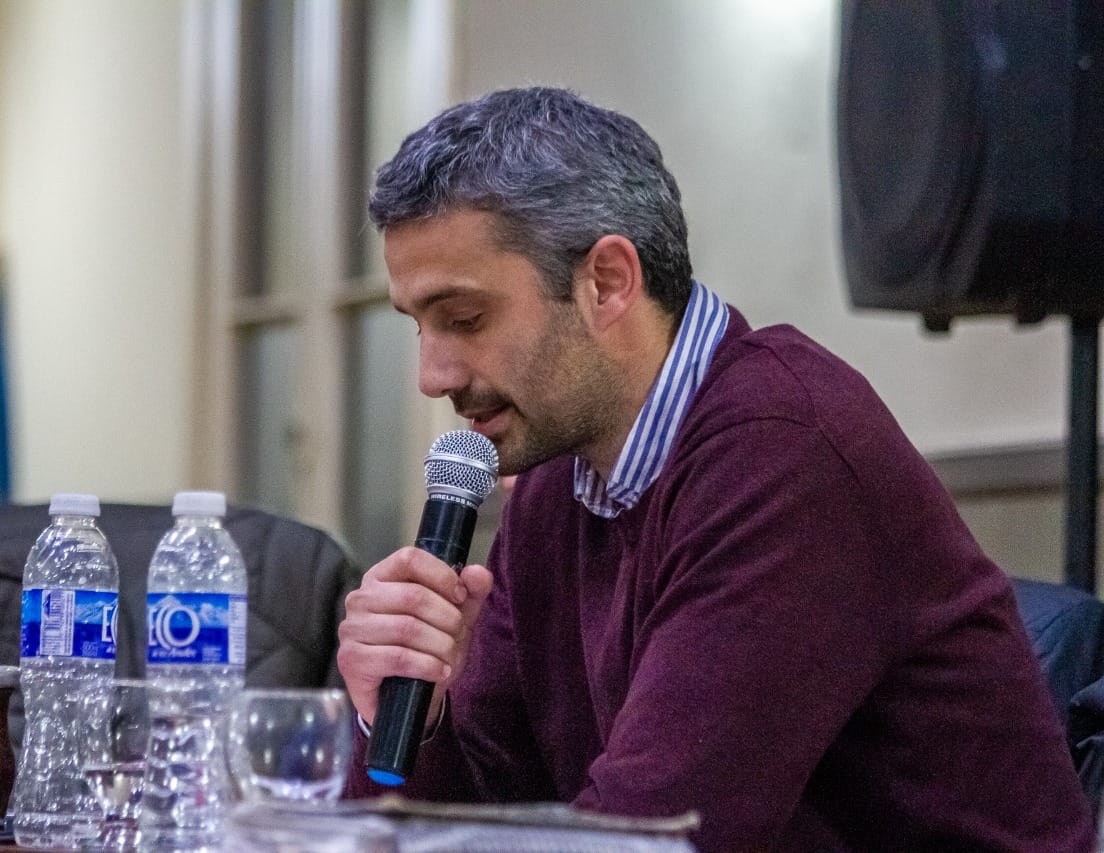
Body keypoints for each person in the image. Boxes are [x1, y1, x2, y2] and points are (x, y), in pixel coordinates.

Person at [336, 86, 1094, 851]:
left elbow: (654, 838)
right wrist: (414, 719)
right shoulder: (555, 484)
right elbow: (491, 813)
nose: (432, 376)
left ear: (607, 282)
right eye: (420, 327)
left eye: (464, 318)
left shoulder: (781, 453)